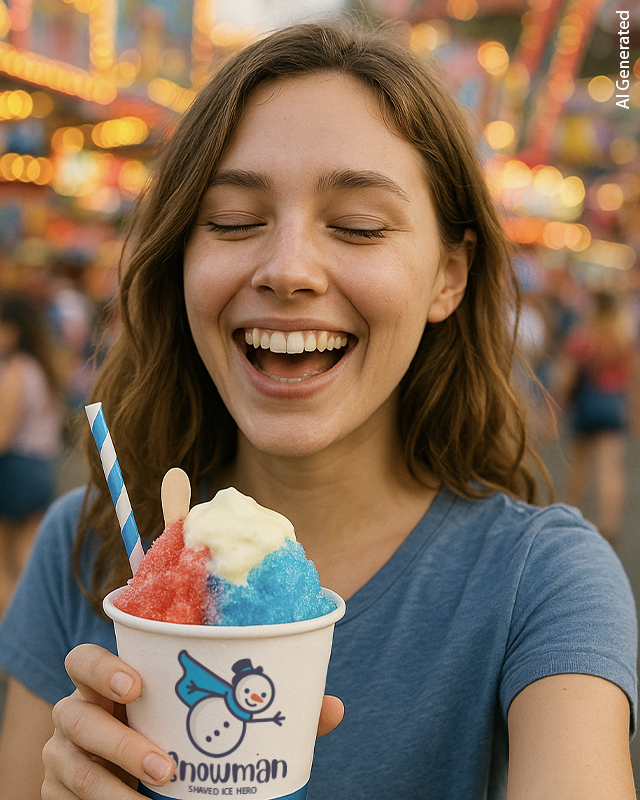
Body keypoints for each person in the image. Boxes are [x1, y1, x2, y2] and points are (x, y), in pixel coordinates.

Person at [0, 20, 636, 800]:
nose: (289, 268)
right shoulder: (84, 545)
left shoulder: (540, 584)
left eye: (358, 226)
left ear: (449, 274)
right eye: (234, 221)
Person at [552, 291, 640, 546]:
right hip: (613, 406)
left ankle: (573, 513)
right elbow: (633, 380)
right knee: (611, 468)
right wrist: (635, 413)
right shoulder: (623, 339)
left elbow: (566, 377)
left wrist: (555, 409)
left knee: (579, 463)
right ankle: (608, 525)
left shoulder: (583, 337)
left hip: (587, 406)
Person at [0, 292, 63, 616]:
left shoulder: (14, 370)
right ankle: (36, 619)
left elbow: (3, 433)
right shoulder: (43, 368)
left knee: (6, 557)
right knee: (27, 550)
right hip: (42, 468)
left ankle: (14, 628)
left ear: (13, 330)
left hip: (15, 470)